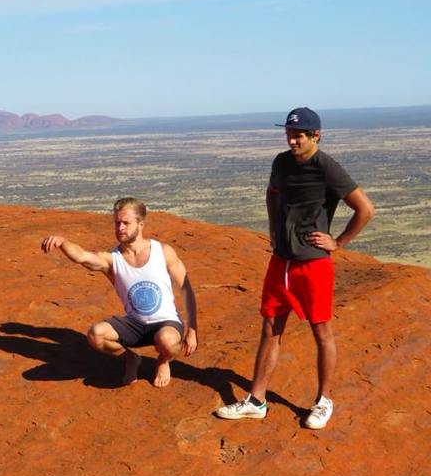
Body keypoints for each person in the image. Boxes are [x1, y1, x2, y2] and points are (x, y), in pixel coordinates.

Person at [216, 107, 375, 429]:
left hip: (313, 264)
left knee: (321, 331)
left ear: (316, 135)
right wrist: (275, 227)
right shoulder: (281, 163)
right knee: (270, 328)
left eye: (299, 135)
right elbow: (272, 192)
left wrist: (338, 242)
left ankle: (323, 401)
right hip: (281, 260)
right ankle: (257, 400)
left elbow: (365, 208)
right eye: (289, 133)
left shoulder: (326, 166)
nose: (292, 140)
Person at [40, 197, 198, 387]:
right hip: (134, 324)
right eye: (117, 223)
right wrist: (62, 241)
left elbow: (186, 288)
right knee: (95, 335)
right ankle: (131, 358)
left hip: (166, 323)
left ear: (140, 224)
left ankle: (163, 361)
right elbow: (82, 256)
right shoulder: (111, 260)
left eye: (126, 223)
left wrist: (192, 330)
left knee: (167, 340)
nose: (120, 228)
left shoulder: (163, 251)